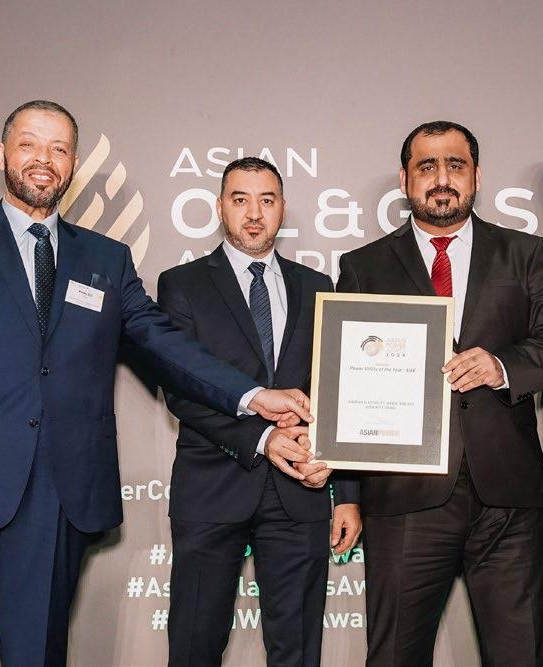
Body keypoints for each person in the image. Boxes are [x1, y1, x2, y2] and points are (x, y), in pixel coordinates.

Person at [0, 101, 312, 666]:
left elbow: (164, 343)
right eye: (29, 144)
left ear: (74, 164)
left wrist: (252, 395)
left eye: (58, 149)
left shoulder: (105, 258)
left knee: (37, 654)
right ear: (2, 153)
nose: (43, 159)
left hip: (58, 497)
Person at [337, 121, 543, 666]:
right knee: (394, 657)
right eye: (427, 166)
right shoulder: (363, 266)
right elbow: (346, 387)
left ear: (476, 176)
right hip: (403, 498)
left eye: (456, 165)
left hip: (506, 497)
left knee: (521, 655)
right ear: (405, 178)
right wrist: (347, 493)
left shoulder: (522, 252)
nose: (442, 178)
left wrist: (501, 365)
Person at [157, 157, 361, 666]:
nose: (254, 213)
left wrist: (347, 494)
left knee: (297, 651)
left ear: (282, 209)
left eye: (266, 200)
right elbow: (181, 390)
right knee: (194, 647)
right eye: (241, 200)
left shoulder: (318, 286)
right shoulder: (182, 284)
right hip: (212, 489)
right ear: (219, 207)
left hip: (301, 491)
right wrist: (263, 439)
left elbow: (339, 390)